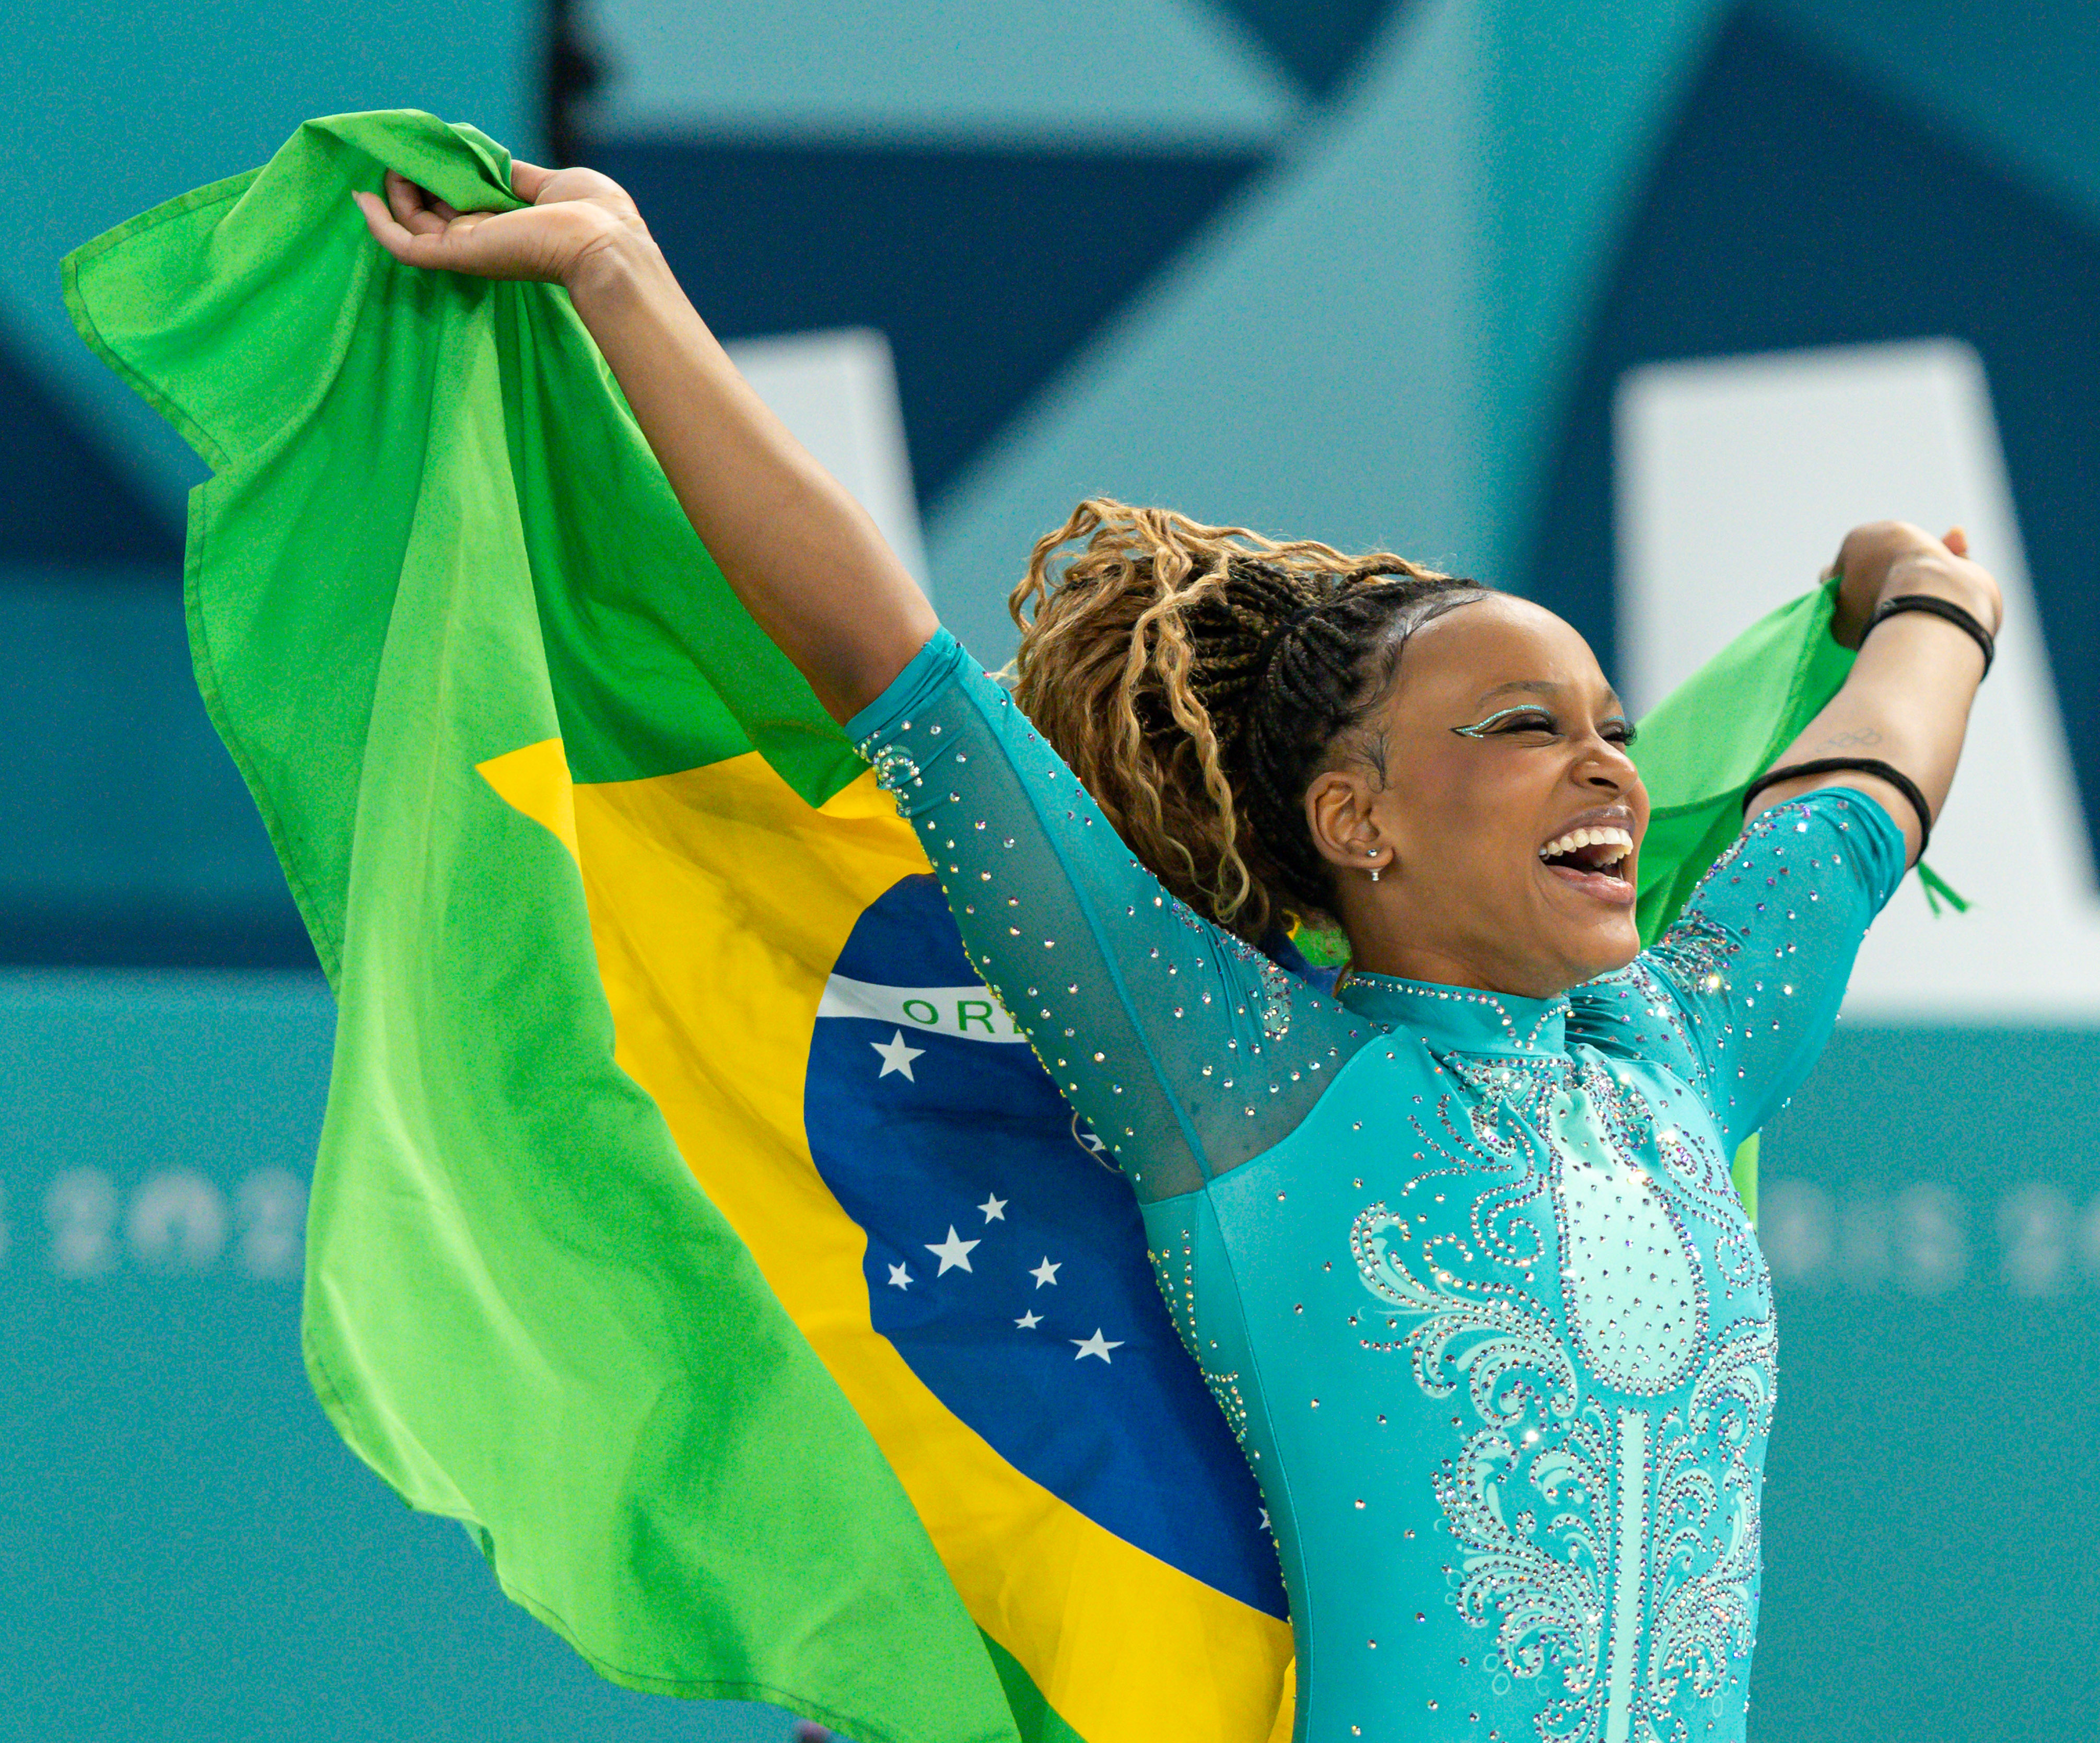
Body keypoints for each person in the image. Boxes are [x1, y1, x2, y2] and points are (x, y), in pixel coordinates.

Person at [354, 158, 1998, 1743]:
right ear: (1359, 824)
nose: (1611, 770)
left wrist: (1934, 599)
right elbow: (902, 677)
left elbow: (1854, 812)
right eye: (1523, 727)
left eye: (1613, 728)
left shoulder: (1680, 1054)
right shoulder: (1254, 1084)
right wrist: (621, 279)